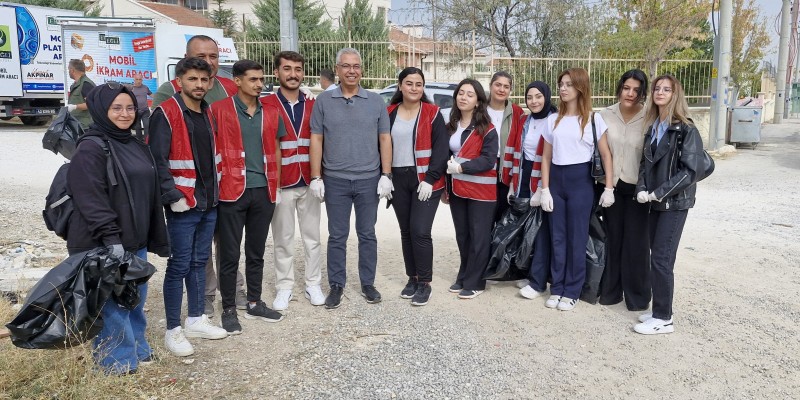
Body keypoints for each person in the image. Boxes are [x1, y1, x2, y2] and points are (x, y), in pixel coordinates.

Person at [66, 82, 169, 374]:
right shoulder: (91, 148)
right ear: (101, 110)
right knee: (111, 305)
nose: (125, 114)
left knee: (134, 298)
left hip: (134, 240)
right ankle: (116, 364)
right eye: (116, 108)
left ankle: (138, 349)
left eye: (129, 107)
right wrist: (112, 239)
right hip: (104, 242)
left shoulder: (133, 143)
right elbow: (90, 199)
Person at [151, 34, 246, 315]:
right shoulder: (167, 96)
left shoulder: (226, 90)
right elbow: (158, 153)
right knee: (192, 257)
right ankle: (202, 300)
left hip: (219, 188)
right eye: (200, 58)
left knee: (227, 243)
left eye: (213, 57)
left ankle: (233, 290)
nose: (207, 65)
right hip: (187, 195)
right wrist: (171, 193)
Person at [149, 57, 229, 357]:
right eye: (192, 79)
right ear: (179, 81)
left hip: (208, 202)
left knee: (199, 262)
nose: (198, 84)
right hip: (183, 204)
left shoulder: (206, 111)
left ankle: (196, 318)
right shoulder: (166, 113)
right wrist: (172, 196)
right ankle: (173, 329)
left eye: (203, 79)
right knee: (179, 265)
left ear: (210, 83)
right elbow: (156, 160)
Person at [309, 48, 393, 309]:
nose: (351, 70)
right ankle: (336, 285)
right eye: (346, 66)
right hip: (335, 180)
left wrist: (386, 175)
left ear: (362, 70)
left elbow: (384, 139)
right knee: (337, 235)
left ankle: (367, 283)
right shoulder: (323, 101)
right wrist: (316, 177)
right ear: (337, 69)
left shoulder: (376, 101)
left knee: (367, 234)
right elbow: (316, 139)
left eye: (356, 66)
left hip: (369, 179)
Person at [211, 59, 286, 334]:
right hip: (231, 191)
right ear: (238, 81)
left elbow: (276, 148)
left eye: (261, 79)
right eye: (253, 79)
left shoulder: (271, 112)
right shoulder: (218, 110)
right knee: (229, 253)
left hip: (263, 191)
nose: (259, 84)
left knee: (256, 252)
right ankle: (229, 308)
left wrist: (275, 185)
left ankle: (255, 301)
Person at [634, 74, 705, 335]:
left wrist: (659, 193)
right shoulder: (654, 126)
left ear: (676, 95)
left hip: (674, 204)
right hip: (655, 203)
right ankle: (657, 310)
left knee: (662, 259)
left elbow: (690, 171)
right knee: (657, 257)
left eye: (666, 89)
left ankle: (664, 317)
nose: (660, 93)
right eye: (657, 88)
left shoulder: (686, 128)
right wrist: (643, 189)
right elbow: (645, 164)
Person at [539, 67, 615, 311]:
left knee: (577, 237)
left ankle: (572, 289)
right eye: (561, 84)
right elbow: (546, 157)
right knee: (557, 236)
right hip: (557, 181)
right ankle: (558, 287)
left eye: (569, 84)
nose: (562, 88)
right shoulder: (553, 120)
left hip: (580, 182)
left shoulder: (593, 119)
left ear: (580, 87)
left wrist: (609, 188)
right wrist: (545, 188)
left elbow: (606, 155)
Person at [262, 51, 325, 311]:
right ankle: (284, 287)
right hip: (282, 183)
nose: (293, 74)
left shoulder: (313, 104)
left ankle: (313, 283)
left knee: (312, 237)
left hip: (310, 181)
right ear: (277, 72)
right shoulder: (266, 104)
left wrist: (319, 177)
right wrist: (272, 184)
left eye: (298, 69)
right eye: (287, 69)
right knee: (283, 239)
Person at [386, 67, 449, 306]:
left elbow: (441, 149)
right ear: (400, 85)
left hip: (424, 180)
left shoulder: (433, 113)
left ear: (423, 88)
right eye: (409, 83)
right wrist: (385, 175)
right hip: (398, 179)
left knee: (420, 230)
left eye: (418, 84)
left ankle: (425, 282)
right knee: (406, 231)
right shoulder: (389, 112)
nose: (414, 88)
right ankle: (411, 278)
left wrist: (431, 179)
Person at [598, 69, 652, 311]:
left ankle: (638, 297)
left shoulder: (650, 117)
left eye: (636, 90)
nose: (630, 94)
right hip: (611, 187)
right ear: (620, 87)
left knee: (637, 243)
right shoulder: (604, 115)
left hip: (638, 190)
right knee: (613, 239)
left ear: (642, 93)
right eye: (627, 88)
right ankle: (610, 291)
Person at [502, 81, 557, 299]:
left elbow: (552, 158)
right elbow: (518, 150)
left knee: (542, 232)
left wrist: (543, 187)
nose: (533, 101)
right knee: (529, 230)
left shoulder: (554, 119)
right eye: (529, 97)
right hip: (524, 176)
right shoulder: (525, 120)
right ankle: (532, 272)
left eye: (538, 96)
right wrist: (514, 184)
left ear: (547, 97)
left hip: (544, 181)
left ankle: (538, 282)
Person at [445, 78, 498, 299]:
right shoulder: (451, 126)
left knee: (479, 237)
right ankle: (464, 275)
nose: (463, 97)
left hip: (481, 192)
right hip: (457, 190)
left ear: (477, 102)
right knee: (463, 235)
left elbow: (488, 160)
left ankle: (476, 282)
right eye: (461, 93)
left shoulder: (487, 129)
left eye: (469, 94)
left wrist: (461, 167)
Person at [487, 71, 525, 222]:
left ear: (510, 90)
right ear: (490, 86)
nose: (501, 89)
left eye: (506, 86)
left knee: (502, 216)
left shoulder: (517, 112)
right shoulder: (479, 109)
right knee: (485, 217)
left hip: (505, 171)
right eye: (498, 85)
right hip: (483, 169)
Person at [66, 58, 96, 130]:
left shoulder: (86, 84)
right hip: (77, 125)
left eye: (69, 69)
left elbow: (90, 104)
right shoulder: (76, 85)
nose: (68, 72)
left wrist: (75, 107)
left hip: (85, 126)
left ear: (72, 70)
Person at [127, 72, 152, 140]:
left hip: (145, 111)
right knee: (137, 127)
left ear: (142, 80)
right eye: (137, 79)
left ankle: (147, 141)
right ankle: (139, 141)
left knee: (147, 125)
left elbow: (151, 94)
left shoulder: (145, 87)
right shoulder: (131, 89)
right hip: (136, 111)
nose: (138, 81)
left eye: (140, 79)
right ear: (134, 80)